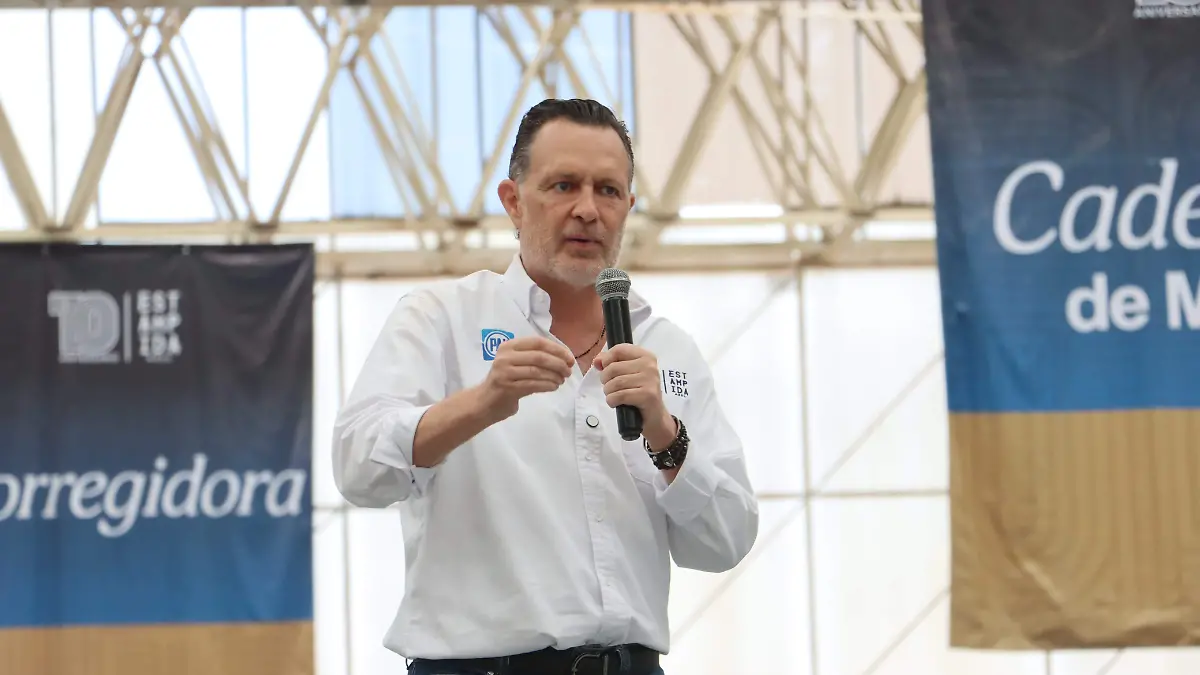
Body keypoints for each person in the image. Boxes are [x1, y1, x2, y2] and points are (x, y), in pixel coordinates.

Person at [331, 98, 759, 675]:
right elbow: (358, 468)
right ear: (513, 201)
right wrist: (481, 404)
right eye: (563, 186)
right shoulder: (441, 317)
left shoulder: (666, 348)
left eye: (608, 191)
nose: (588, 210)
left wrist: (665, 433)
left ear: (629, 208)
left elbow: (726, 540)